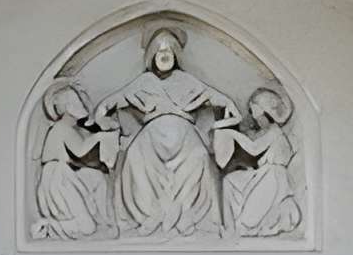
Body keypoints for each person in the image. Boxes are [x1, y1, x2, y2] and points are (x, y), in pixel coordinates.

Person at [91, 22, 235, 237]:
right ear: (152, 55)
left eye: (168, 51)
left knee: (200, 158)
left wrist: (229, 105)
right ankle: (149, 215)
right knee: (135, 159)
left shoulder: (187, 80)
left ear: (176, 54)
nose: (164, 55)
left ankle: (187, 214)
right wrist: (101, 116)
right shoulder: (144, 82)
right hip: (150, 137)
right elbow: (112, 101)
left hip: (185, 136)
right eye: (159, 51)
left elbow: (215, 97)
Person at [31, 79, 118, 240]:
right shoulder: (62, 128)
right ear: (68, 108)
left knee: (98, 178)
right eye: (74, 102)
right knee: (87, 229)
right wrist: (100, 136)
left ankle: (106, 219)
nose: (80, 106)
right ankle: (47, 227)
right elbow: (80, 150)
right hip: (58, 180)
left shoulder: (67, 128)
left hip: (65, 175)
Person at [217, 85, 303, 238]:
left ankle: (242, 228)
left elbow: (254, 148)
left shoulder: (275, 131)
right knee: (230, 180)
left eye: (254, 112)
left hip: (273, 178)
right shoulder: (269, 132)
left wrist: (231, 133)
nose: (253, 116)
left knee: (254, 209)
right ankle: (230, 227)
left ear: (264, 112)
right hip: (264, 174)